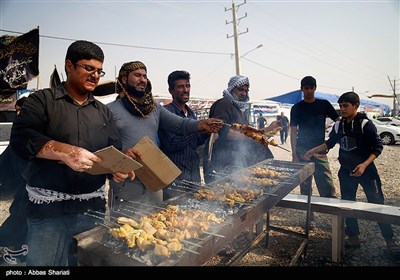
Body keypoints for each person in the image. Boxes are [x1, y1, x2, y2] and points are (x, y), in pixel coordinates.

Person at [9, 40, 135, 266]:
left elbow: (111, 151)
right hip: (49, 212)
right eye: (88, 68)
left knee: (87, 263)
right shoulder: (42, 100)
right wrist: (64, 151)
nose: (95, 76)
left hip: (91, 210)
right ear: (69, 66)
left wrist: (118, 169)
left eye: (99, 70)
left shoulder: (103, 112)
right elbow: (21, 138)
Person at [107, 61, 222, 207]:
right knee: (125, 227)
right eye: (137, 75)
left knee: (156, 224)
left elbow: (180, 124)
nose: (142, 79)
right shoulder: (110, 110)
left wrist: (200, 124)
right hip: (126, 182)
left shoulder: (154, 109)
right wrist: (121, 154)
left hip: (154, 181)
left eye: (144, 76)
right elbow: (103, 146)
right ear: (124, 79)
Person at [304, 91, 400, 254]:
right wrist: (312, 151)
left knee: (377, 204)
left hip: (367, 171)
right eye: (340, 106)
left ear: (356, 106)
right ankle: (354, 237)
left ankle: (389, 239)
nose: (342, 109)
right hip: (346, 172)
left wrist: (364, 165)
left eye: (346, 106)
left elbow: (378, 148)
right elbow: (330, 143)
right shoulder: (338, 124)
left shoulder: (365, 125)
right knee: (347, 204)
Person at [204, 75, 278, 183]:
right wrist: (254, 138)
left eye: (246, 91)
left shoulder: (239, 109)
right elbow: (224, 131)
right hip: (221, 163)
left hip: (235, 161)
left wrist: (267, 130)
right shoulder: (224, 104)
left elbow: (248, 131)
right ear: (232, 88)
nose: (243, 93)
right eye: (240, 90)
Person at [158, 70, 208, 200]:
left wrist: (207, 133)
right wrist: (196, 129)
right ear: (171, 91)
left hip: (194, 177)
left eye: (188, 85)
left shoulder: (191, 113)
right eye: (180, 86)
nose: (186, 90)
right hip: (176, 181)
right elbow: (171, 144)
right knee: (174, 216)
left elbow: (195, 143)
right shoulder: (166, 113)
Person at [290, 76, 338, 198]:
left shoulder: (324, 104)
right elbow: (293, 131)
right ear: (302, 89)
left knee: (326, 183)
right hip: (302, 149)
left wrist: (329, 142)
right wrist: (294, 154)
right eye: (306, 88)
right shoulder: (296, 108)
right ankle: (308, 212)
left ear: (315, 88)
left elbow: (338, 122)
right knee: (305, 184)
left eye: (311, 88)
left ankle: (330, 209)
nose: (309, 91)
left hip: (319, 149)